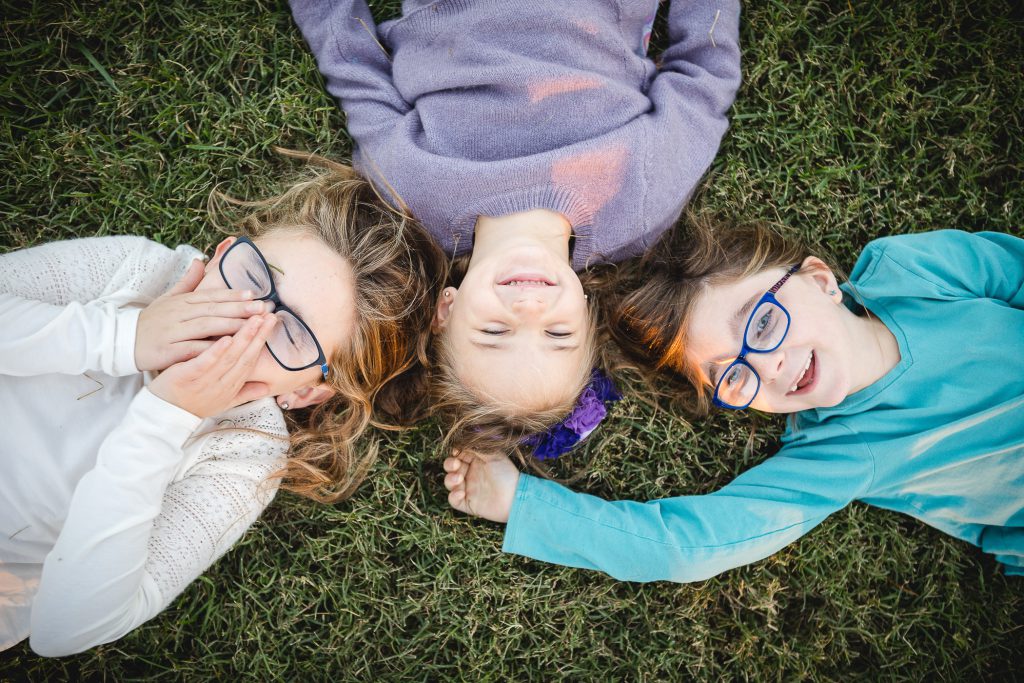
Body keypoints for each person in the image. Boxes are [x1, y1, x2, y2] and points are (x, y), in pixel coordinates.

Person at [0, 157, 444, 655]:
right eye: (252, 274)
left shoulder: (243, 457)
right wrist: (125, 337)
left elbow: (68, 630)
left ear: (305, 392)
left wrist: (164, 416)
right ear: (222, 252)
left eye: (293, 334)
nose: (240, 321)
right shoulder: (141, 273)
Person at [442, 221, 1024, 582]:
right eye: (734, 377)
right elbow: (691, 545)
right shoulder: (841, 453)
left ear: (819, 279)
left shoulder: (913, 270)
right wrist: (522, 502)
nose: (766, 366)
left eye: (764, 322)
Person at [288, 0, 742, 455]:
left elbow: (355, 71)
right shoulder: (640, 203)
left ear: (445, 310)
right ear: (586, 316)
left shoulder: (408, 195)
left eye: (495, 332)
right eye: (558, 335)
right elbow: (705, 77)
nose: (528, 309)